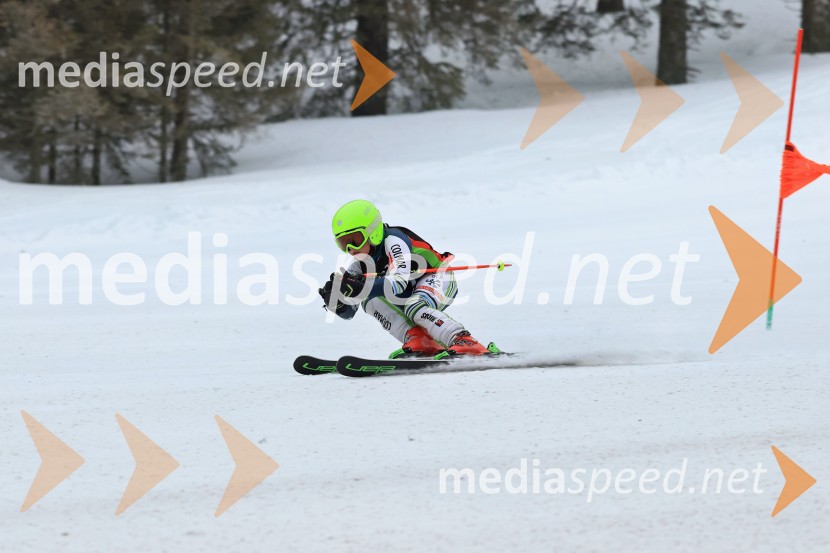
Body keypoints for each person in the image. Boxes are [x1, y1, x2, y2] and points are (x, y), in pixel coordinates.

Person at [318, 199, 499, 359]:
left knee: (414, 306)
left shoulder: (394, 241)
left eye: (355, 240)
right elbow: (350, 311)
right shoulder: (359, 264)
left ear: (372, 231)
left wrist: (360, 287)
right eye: (343, 243)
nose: (350, 249)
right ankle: (419, 339)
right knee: (369, 300)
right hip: (412, 290)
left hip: (439, 277)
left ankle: (463, 340)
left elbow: (398, 283)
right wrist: (338, 302)